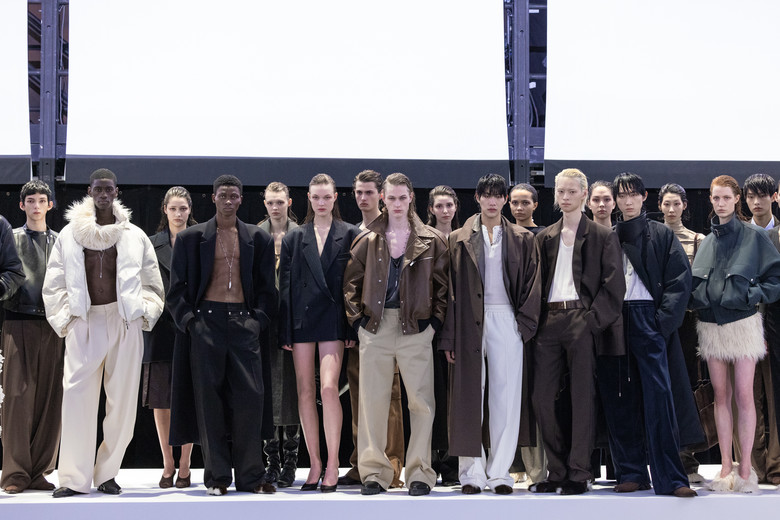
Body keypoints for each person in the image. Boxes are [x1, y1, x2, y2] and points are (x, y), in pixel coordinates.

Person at [42, 168, 165, 497]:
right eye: (98, 189)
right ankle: (73, 478)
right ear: (89, 191)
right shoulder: (70, 235)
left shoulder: (134, 235)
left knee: (122, 403)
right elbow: (54, 282)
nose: (103, 194)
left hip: (123, 322)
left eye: (108, 189)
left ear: (116, 192)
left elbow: (152, 282)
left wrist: (143, 314)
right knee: (76, 400)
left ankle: (108, 474)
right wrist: (66, 320)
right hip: (85, 321)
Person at [168, 174, 277, 495]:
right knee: (208, 401)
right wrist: (191, 322)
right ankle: (216, 477)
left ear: (241, 199)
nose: (228, 201)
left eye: (234, 196)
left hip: (244, 323)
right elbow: (176, 290)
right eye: (223, 195)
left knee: (250, 399)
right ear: (213, 198)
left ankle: (251, 476)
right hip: (207, 323)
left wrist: (258, 321)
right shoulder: (190, 238)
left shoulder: (258, 238)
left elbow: (267, 289)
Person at [344, 172, 449, 496]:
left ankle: (420, 473)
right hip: (376, 327)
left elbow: (443, 288)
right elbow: (350, 285)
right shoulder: (367, 238)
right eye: (391, 198)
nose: (397, 203)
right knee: (372, 403)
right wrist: (359, 324)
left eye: (403, 197)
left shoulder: (431, 238)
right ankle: (375, 473)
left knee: (421, 403)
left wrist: (433, 325)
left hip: (415, 327)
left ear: (411, 198)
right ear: (383, 199)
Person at [597, 173, 697, 497]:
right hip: (615, 319)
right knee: (619, 398)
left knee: (660, 399)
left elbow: (680, 281)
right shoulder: (608, 237)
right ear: (615, 200)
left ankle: (672, 478)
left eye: (633, 195)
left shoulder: (661, 234)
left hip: (648, 317)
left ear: (644, 197)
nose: (627, 201)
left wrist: (661, 323)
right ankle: (631, 472)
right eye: (621, 195)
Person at [440, 174, 540, 495]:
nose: (493, 201)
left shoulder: (522, 237)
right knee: (469, 396)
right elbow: (448, 292)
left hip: (507, 318)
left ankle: (499, 473)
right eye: (487, 195)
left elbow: (533, 284)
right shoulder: (458, 238)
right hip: (469, 321)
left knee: (506, 397)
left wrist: (524, 326)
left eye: (498, 195)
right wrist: (450, 336)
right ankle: (471, 473)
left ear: (505, 200)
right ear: (478, 198)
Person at [530, 168, 624, 495]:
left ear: (584, 194)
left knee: (583, 397)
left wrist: (591, 321)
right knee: (541, 398)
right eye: (561, 192)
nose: (566, 197)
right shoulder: (544, 237)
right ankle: (556, 471)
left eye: (572, 191)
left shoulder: (601, 235)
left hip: (581, 320)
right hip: (548, 321)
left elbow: (614, 285)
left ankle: (580, 472)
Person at [690, 174, 780, 493]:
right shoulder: (707, 241)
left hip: (743, 324)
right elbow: (696, 283)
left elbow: (775, 278)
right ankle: (726, 466)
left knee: (744, 395)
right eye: (716, 198)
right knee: (720, 396)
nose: (721, 203)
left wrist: (751, 295)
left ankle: (745, 470)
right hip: (711, 325)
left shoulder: (754, 236)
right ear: (710, 199)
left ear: (736, 199)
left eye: (726, 197)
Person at [278, 174, 360, 492]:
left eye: (327, 196)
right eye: (316, 197)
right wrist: (285, 330)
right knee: (304, 391)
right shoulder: (295, 237)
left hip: (333, 319)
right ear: (309, 199)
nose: (321, 202)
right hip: (302, 320)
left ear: (335, 197)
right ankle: (314, 463)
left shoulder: (349, 233)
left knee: (328, 388)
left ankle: (334, 462)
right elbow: (285, 286)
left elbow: (354, 285)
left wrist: (351, 325)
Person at [340, 169, 406, 489]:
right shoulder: (351, 232)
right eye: (358, 192)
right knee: (359, 397)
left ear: (381, 195)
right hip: (362, 328)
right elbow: (348, 284)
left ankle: (391, 464)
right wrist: (355, 324)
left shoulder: (394, 228)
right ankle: (361, 463)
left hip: (390, 324)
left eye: (368, 192)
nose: (363, 197)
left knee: (390, 396)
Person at [142, 187, 197, 489]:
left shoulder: (201, 240)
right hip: (161, 328)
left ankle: (185, 465)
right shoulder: (151, 245)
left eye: (183, 208)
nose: (178, 213)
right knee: (161, 401)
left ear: (190, 210)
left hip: (192, 328)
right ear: (164, 209)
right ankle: (167, 464)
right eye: (173, 208)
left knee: (189, 397)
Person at [1, 182, 51, 494]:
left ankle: (40, 470)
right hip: (18, 320)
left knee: (49, 400)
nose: (35, 206)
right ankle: (15, 473)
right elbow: (10, 274)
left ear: (50, 205)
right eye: (30, 201)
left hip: (54, 325)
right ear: (21, 205)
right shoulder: (12, 237)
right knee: (17, 400)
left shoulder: (60, 241)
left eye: (41, 200)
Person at [659, 183, 708, 484]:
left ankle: (688, 459)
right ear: (659, 205)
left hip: (688, 322)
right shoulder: (653, 236)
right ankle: (659, 456)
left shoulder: (697, 239)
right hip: (658, 320)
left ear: (685, 206)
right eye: (666, 204)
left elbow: (699, 283)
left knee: (687, 387)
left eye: (676, 203)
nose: (671, 209)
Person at [257, 182, 300, 488]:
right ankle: (272, 461)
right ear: (264, 203)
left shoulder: (301, 234)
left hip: (294, 323)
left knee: (294, 392)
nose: (275, 207)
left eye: (280, 202)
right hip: (263, 324)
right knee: (267, 392)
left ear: (289, 202)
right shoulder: (255, 234)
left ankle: (292, 461)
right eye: (270, 202)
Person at [738, 174, 780, 485]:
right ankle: (752, 466)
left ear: (774, 197)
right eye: (751, 196)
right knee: (747, 395)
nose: (756, 202)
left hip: (777, 323)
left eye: (762, 195)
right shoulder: (739, 234)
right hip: (744, 323)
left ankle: (776, 464)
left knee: (775, 394)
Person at [507, 182, 547, 485]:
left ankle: (537, 467)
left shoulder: (543, 236)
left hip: (539, 326)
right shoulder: (501, 235)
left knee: (534, 395)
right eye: (514, 202)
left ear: (535, 204)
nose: (519, 208)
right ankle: (512, 463)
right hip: (504, 324)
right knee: (508, 394)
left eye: (525, 202)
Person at [426, 185, 460, 486]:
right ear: (431, 209)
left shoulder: (464, 239)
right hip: (428, 325)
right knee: (429, 394)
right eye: (439, 206)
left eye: (449, 205)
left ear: (456, 206)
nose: (445, 210)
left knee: (453, 396)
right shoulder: (423, 239)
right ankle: (429, 461)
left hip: (459, 325)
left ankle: (451, 463)